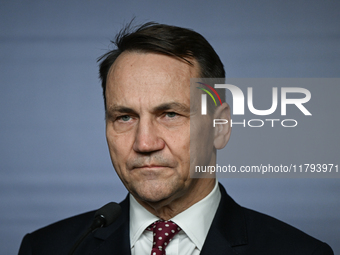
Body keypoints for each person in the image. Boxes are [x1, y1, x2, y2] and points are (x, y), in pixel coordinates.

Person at [18, 22, 333, 255]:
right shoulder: (48, 248)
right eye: (124, 117)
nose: (145, 143)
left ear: (220, 127)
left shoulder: (299, 251)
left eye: (170, 114)